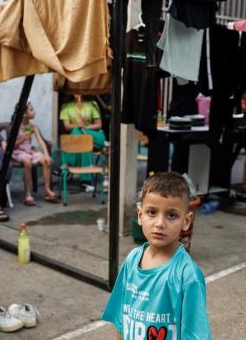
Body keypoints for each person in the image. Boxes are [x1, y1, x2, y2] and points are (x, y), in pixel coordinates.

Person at [101, 172, 211, 340]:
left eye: (171, 215)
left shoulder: (187, 275)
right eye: (152, 212)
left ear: (187, 221)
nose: (160, 224)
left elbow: (195, 334)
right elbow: (121, 321)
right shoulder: (132, 260)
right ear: (140, 215)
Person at [13, 102, 59, 205]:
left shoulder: (33, 127)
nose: (34, 111)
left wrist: (46, 154)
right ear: (24, 114)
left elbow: (41, 142)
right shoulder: (16, 127)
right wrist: (23, 138)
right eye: (31, 109)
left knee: (46, 161)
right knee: (27, 162)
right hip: (18, 152)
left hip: (30, 151)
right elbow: (12, 145)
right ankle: (27, 194)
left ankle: (47, 190)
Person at [59, 94, 106, 184]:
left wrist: (85, 128)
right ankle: (85, 180)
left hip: (96, 136)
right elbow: (67, 126)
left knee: (78, 133)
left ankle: (67, 164)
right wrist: (79, 126)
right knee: (83, 141)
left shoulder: (92, 104)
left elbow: (98, 125)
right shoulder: (66, 107)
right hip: (81, 139)